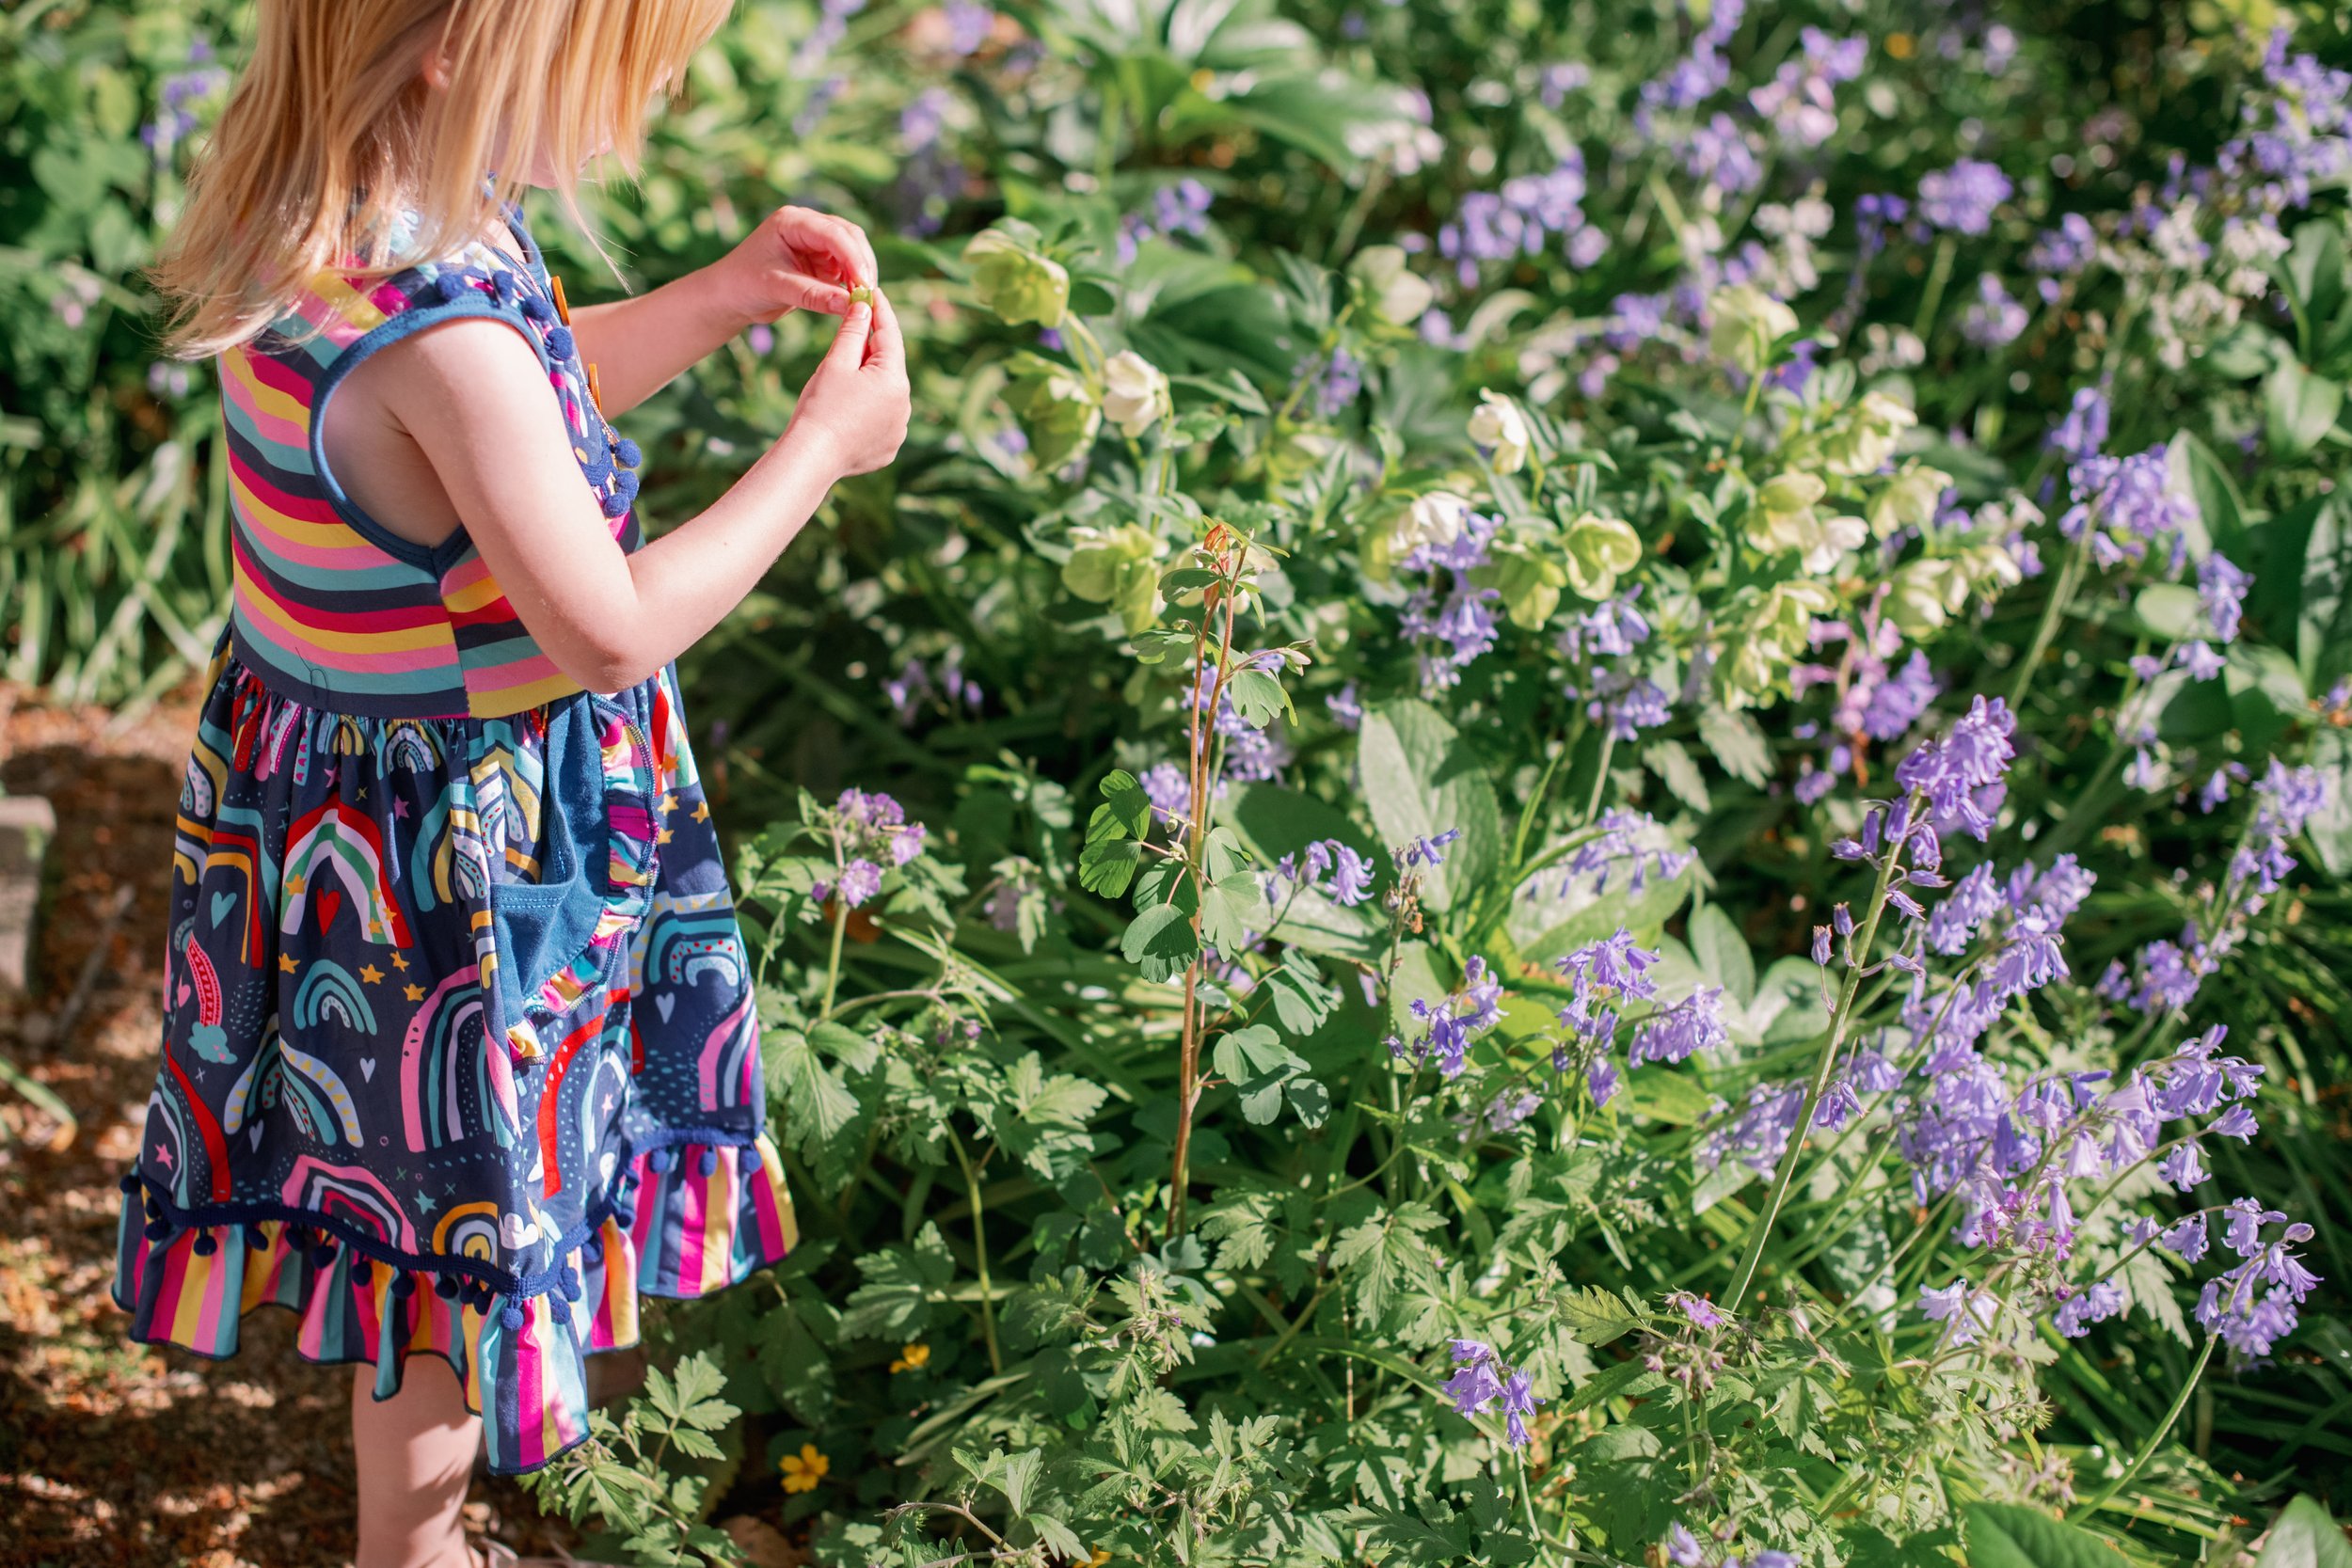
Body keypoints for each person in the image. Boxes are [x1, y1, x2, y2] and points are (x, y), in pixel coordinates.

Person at [108, 3, 911, 1563]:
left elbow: (508, 427)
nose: (667, 89)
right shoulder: (446, 320)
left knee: (419, 1227)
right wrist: (819, 445)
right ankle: (406, 1558)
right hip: (458, 881)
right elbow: (606, 630)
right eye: (636, 60)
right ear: (462, 52)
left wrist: (723, 297)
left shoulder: (337, 211)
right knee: (450, 1244)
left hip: (343, 824)